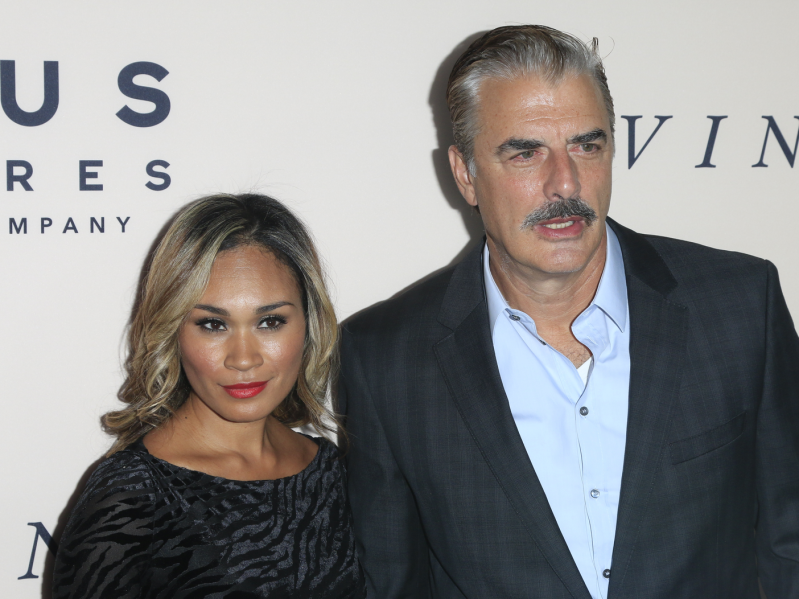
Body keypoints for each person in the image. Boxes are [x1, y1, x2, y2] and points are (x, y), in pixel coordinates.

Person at [339, 25, 799, 599]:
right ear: (465, 174)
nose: (565, 182)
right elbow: (394, 584)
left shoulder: (739, 306)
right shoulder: (385, 359)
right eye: (525, 152)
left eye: (587, 145)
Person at [53, 194, 365, 599]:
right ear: (173, 330)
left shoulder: (330, 469)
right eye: (213, 324)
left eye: (270, 321)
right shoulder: (132, 493)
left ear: (309, 324)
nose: (244, 358)